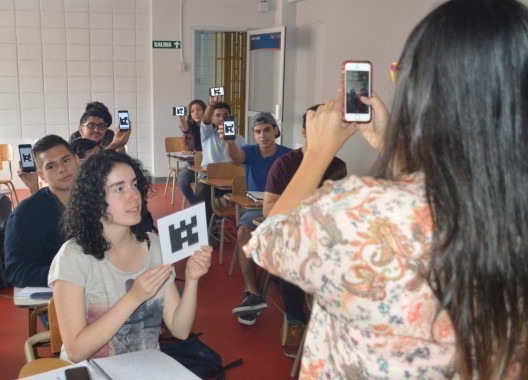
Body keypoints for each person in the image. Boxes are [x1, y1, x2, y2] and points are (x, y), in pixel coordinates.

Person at [244, 0, 528, 378]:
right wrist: (393, 151)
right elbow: (444, 192)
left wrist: (317, 152)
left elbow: (267, 244)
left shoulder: (363, 212)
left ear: (423, 94)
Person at [48, 151, 212, 362]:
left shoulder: (153, 244)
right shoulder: (73, 257)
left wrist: (192, 279)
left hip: (145, 369)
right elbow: (76, 352)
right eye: (119, 189)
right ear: (94, 199)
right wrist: (133, 297)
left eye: (134, 184)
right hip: (93, 371)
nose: (134, 196)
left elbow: (180, 330)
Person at [262, 104, 347, 357]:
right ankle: (296, 320)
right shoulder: (284, 164)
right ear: (304, 132)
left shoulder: (339, 166)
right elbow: (268, 211)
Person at [222, 112, 292, 326]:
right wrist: (229, 141)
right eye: (258, 132)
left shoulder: (288, 155)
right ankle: (252, 292)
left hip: (281, 209)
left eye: (267, 130)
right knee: (243, 232)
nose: (263, 135)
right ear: (253, 134)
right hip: (254, 208)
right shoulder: (249, 152)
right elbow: (235, 157)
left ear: (276, 130)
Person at [5, 135, 79, 289]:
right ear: (41, 175)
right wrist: (68, 276)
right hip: (60, 293)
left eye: (66, 160)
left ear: (77, 160)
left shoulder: (102, 200)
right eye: (51, 166)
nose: (62, 169)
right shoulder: (26, 214)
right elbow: (17, 270)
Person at [196, 97, 245, 225]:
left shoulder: (240, 139)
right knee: (201, 192)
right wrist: (210, 104)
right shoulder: (207, 135)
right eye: (217, 115)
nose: (221, 118)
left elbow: (243, 162)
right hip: (210, 180)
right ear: (213, 118)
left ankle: (244, 226)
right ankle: (209, 230)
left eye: (225, 115)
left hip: (232, 182)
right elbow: (205, 121)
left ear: (231, 116)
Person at [176, 99, 205, 205]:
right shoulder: (190, 126)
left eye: (199, 110)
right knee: (182, 180)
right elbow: (186, 130)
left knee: (202, 188)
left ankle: (206, 210)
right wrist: (182, 120)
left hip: (207, 165)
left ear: (204, 111)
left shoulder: (210, 126)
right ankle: (196, 207)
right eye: (192, 111)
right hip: (192, 163)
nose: (196, 113)